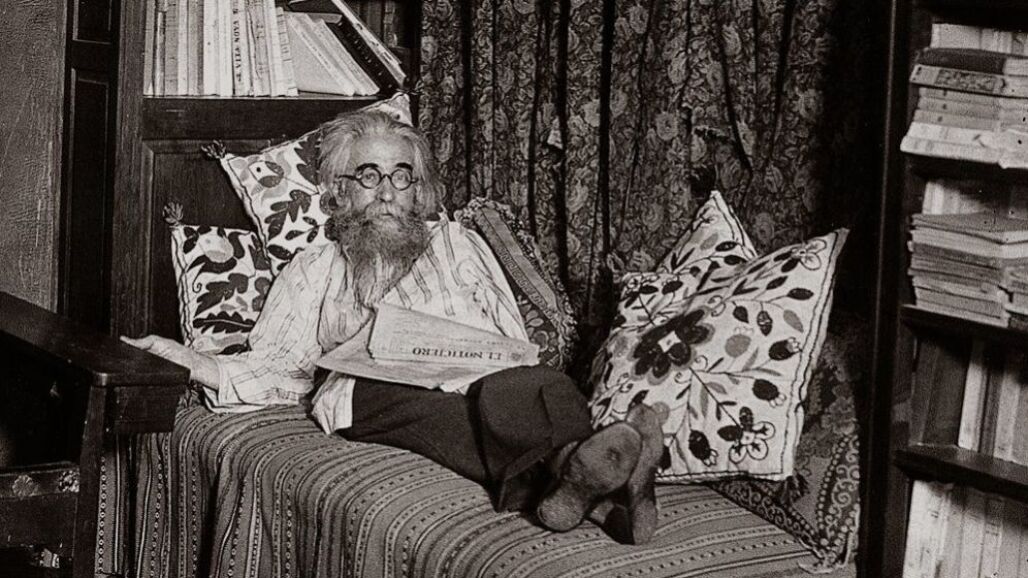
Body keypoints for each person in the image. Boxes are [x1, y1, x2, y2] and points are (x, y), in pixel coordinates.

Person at [124, 109, 662, 543]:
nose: (386, 192)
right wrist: (193, 361)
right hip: (376, 391)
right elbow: (278, 363)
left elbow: (512, 339)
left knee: (536, 384)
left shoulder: (458, 243)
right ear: (339, 192)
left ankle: (587, 490)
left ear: (417, 191)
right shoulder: (317, 266)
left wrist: (497, 367)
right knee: (425, 408)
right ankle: (588, 467)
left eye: (401, 177)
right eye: (368, 176)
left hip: (480, 381)